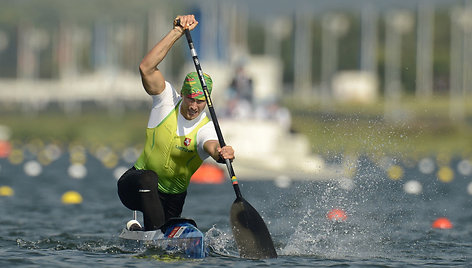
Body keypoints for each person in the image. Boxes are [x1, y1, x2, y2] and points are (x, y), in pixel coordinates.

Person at [117, 14, 235, 231]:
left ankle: (144, 233)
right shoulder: (166, 100)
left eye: (200, 102)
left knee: (167, 243)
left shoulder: (207, 128)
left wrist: (223, 154)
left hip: (173, 199)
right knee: (148, 179)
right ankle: (154, 235)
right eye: (190, 98)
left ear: (207, 101)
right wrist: (177, 32)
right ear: (182, 93)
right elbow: (146, 68)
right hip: (134, 185)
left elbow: (213, 147)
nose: (194, 106)